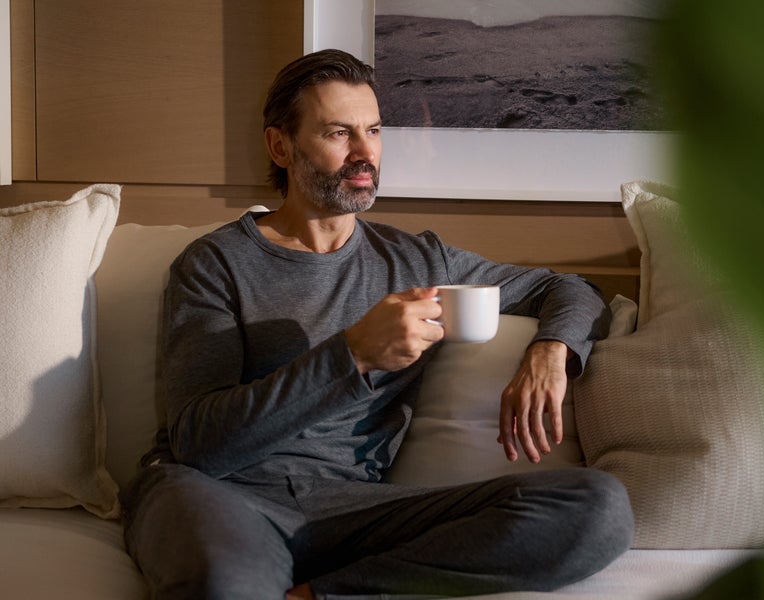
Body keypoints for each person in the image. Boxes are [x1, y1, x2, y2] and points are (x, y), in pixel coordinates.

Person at [121, 48, 634, 600]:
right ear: (281, 146)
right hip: (218, 494)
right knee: (224, 585)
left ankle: (331, 592)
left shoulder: (417, 261)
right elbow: (200, 443)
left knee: (596, 509)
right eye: (340, 133)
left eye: (374, 130)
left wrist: (550, 352)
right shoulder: (215, 263)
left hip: (352, 509)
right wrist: (354, 356)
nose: (365, 153)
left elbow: (571, 288)